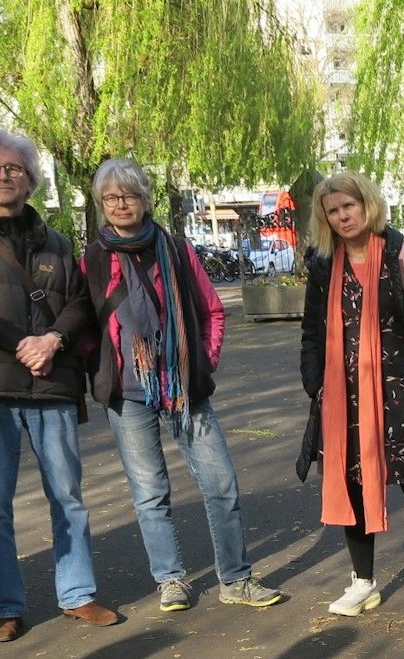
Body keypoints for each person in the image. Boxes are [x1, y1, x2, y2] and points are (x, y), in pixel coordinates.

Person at [0, 128, 114, 642]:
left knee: (68, 496)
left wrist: (53, 339)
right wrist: (24, 344)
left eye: (14, 168)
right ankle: (5, 606)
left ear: (31, 179)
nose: (3, 175)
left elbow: (80, 302)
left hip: (50, 385)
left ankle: (78, 595)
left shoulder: (56, 241)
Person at [82, 158, 285, 615]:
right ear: (101, 204)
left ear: (144, 199)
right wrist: (99, 372)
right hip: (127, 394)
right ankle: (170, 579)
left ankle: (235, 578)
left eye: (129, 195)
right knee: (150, 492)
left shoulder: (176, 249)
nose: (121, 204)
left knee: (220, 483)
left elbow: (213, 311)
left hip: (184, 388)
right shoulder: (93, 258)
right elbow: (84, 325)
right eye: (111, 198)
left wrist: (202, 362)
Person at [299, 171, 404, 617]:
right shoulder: (324, 265)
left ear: (367, 204)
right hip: (342, 396)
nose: (343, 215)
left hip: (402, 393)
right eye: (333, 210)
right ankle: (363, 582)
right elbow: (312, 332)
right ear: (325, 217)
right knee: (350, 482)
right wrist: (315, 380)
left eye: (349, 205)